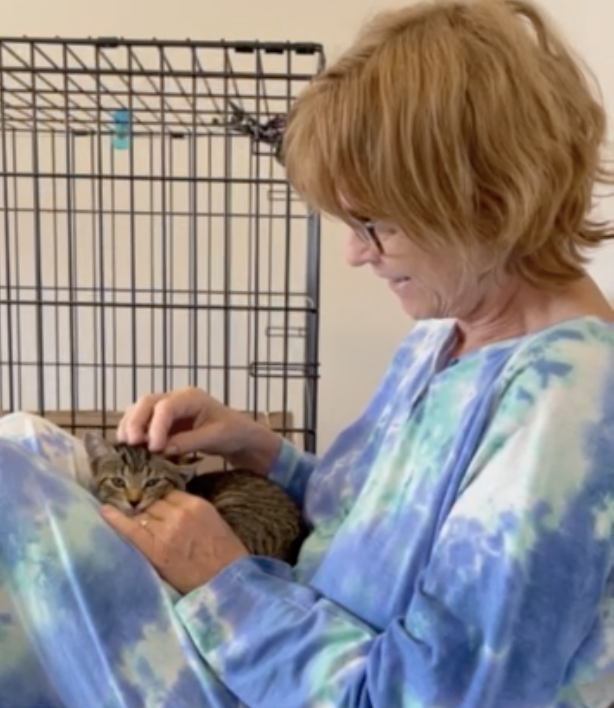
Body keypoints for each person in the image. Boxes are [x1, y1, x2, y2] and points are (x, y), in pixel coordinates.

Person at [1, 0, 614, 706]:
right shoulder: (444, 334)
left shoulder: (567, 409)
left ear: (487, 199)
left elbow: (428, 697)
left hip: (265, 668)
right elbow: (367, 520)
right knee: (26, 443)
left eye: (375, 224)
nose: (355, 253)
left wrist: (223, 582)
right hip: (277, 629)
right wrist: (258, 449)